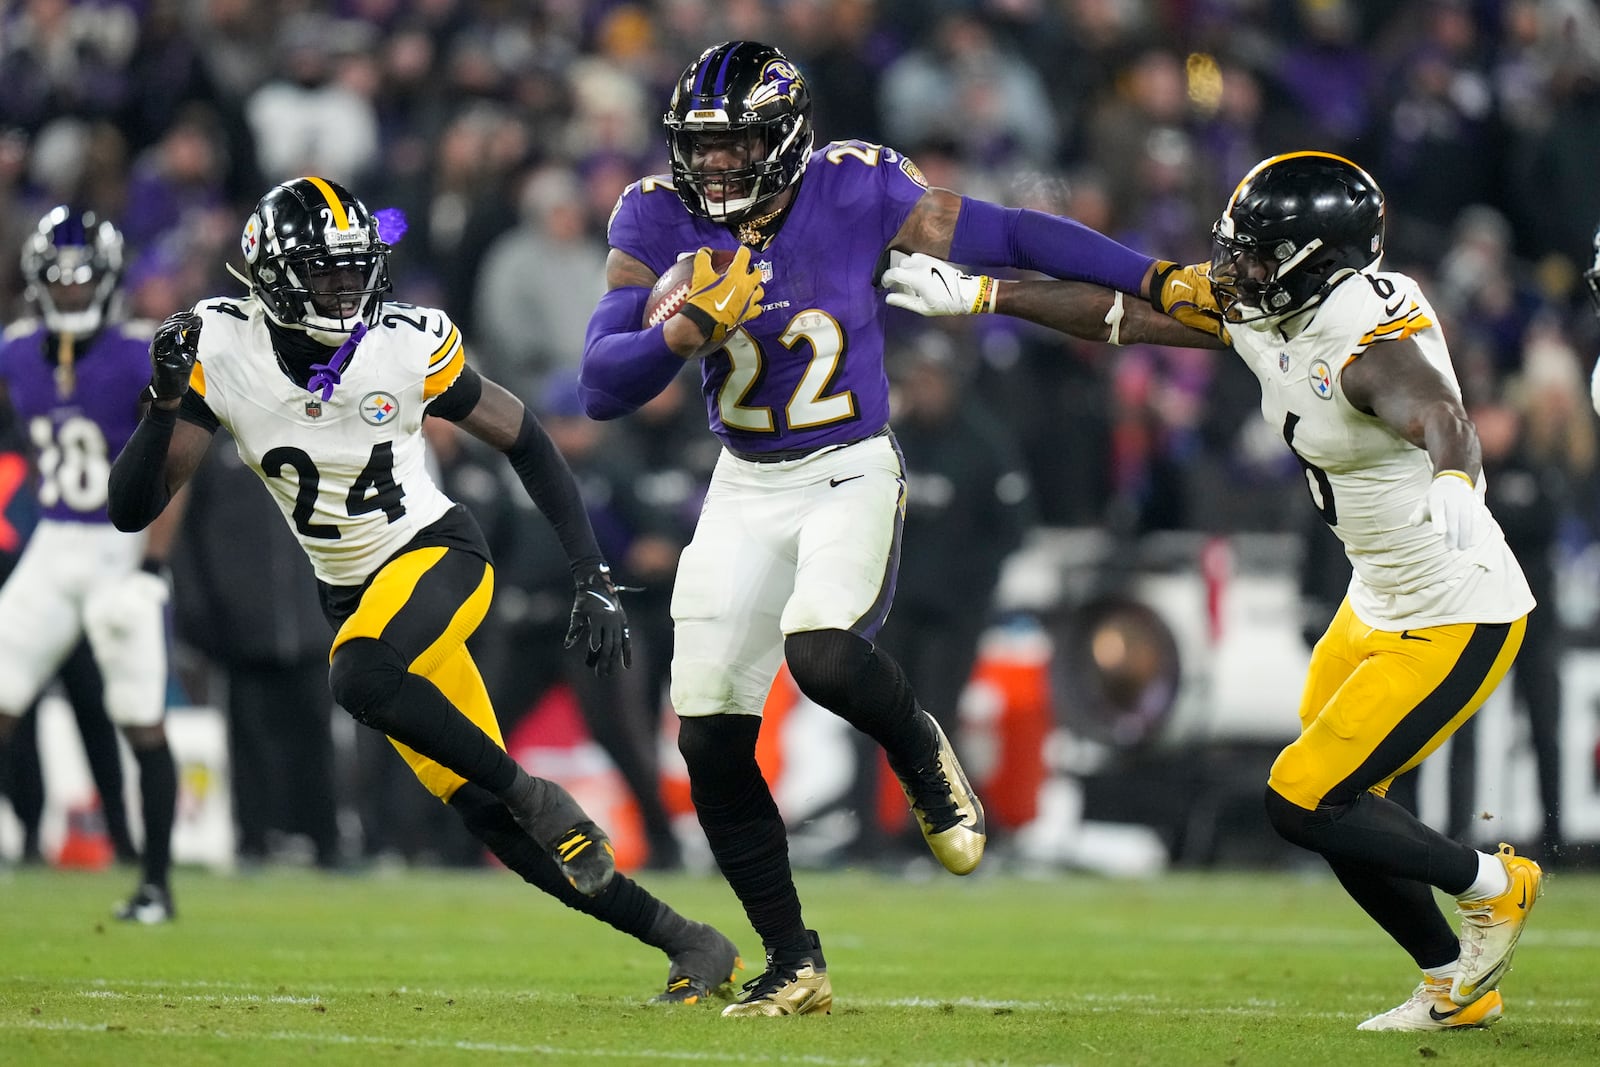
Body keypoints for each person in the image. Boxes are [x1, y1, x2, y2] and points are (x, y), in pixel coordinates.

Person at [576, 40, 1208, 1016]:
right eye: (700, 148)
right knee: (705, 732)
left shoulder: (856, 187)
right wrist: (683, 329)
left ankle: (917, 744)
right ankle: (794, 959)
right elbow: (603, 382)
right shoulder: (654, 214)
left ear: (783, 141)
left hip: (846, 464)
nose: (712, 169)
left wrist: (1156, 277)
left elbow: (1009, 234)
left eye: (734, 147)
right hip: (741, 482)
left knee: (822, 649)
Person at [880, 151, 1547, 1031]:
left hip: (1454, 610)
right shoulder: (1279, 303)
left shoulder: (1356, 343)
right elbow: (1127, 310)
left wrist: (1457, 481)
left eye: (1259, 255)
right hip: (1375, 599)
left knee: (1304, 796)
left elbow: (1439, 414)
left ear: (1317, 260)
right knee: (1337, 803)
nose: (1237, 271)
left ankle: (1497, 884)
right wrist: (985, 296)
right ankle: (1452, 981)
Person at [106, 176, 739, 1004]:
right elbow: (133, 507)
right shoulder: (222, 349)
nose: (346, 287)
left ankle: (538, 794)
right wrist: (160, 403)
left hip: (438, 556)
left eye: (353, 268)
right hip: (356, 595)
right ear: (271, 278)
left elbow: (526, 436)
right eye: (324, 273)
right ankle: (687, 939)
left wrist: (591, 571)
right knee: (486, 817)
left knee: (359, 674)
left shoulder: (404, 344)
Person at [0, 206, 183, 920]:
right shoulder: (16, 350)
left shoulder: (141, 351)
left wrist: (153, 563)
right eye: (60, 281)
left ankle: (156, 884)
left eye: (83, 281)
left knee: (141, 718)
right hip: (52, 540)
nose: (71, 293)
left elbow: (173, 464)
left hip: (118, 544)